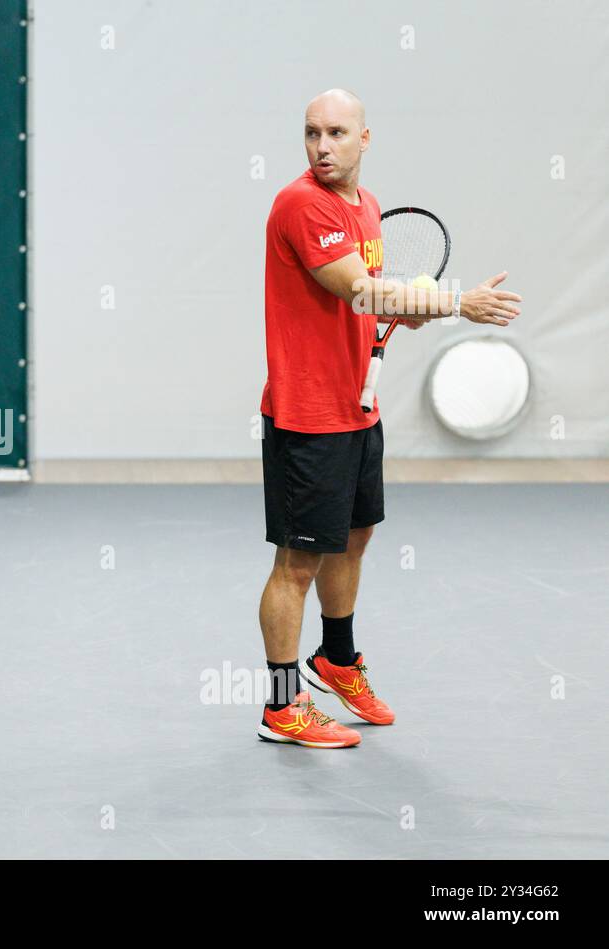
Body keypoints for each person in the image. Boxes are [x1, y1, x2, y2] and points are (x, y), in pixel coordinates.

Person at [256, 89, 521, 748]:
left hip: (356, 408)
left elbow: (375, 307)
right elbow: (358, 288)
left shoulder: (367, 208)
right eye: (312, 133)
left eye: (337, 133)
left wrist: (419, 305)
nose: (322, 146)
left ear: (365, 139)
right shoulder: (301, 204)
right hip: (307, 414)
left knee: (354, 536)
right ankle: (282, 705)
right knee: (298, 562)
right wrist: (459, 302)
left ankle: (337, 660)